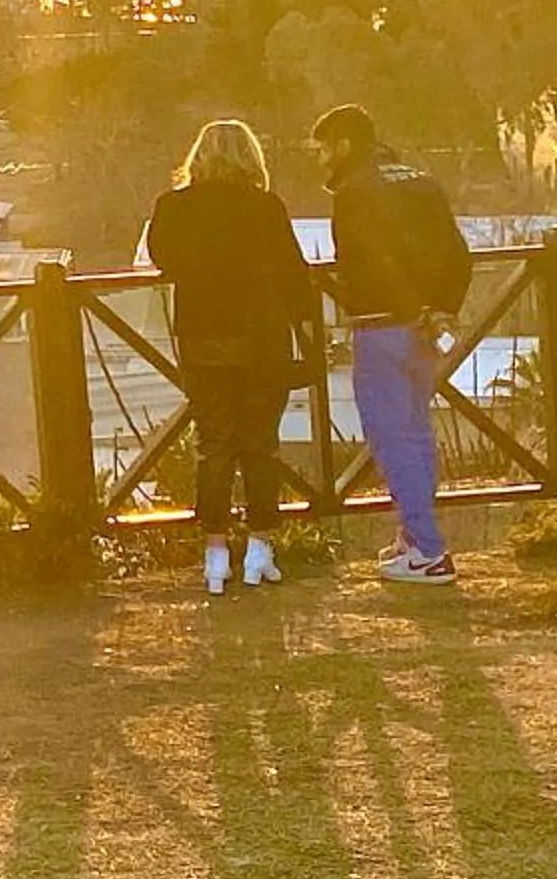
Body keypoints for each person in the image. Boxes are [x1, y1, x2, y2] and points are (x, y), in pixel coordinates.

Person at [145, 120, 316, 596]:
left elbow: (163, 259)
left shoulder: (173, 207)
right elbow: (293, 276)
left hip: (202, 337)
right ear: (251, 158)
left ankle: (216, 553)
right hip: (262, 340)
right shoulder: (265, 207)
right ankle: (260, 549)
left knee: (214, 445)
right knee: (261, 445)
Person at [310, 104, 472, 584]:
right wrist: (440, 308)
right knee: (418, 432)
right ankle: (414, 538)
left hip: (383, 327)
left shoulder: (357, 193)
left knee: (392, 437)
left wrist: (405, 307)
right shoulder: (420, 179)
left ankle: (427, 549)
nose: (320, 161)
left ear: (344, 144)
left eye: (323, 149)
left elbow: (368, 262)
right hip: (425, 329)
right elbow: (457, 253)